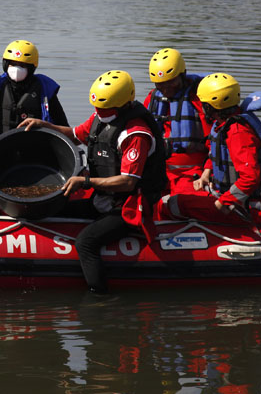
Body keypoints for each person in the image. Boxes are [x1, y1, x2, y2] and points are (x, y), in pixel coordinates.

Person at [19, 70, 167, 293]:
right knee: (54, 208)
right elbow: (75, 134)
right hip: (104, 199)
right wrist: (45, 125)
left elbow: (128, 182)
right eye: (97, 107)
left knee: (86, 242)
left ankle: (100, 298)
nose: (99, 112)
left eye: (105, 109)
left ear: (123, 104)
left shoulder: (136, 135)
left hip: (129, 207)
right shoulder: (101, 118)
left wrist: (86, 182)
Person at [165, 73, 261, 224]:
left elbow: (250, 178)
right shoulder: (224, 123)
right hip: (229, 197)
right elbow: (219, 152)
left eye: (203, 103)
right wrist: (206, 173)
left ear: (210, 106)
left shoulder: (238, 133)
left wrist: (224, 202)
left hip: (245, 209)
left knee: (172, 203)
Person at [142, 47, 212, 194]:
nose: (166, 89)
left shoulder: (199, 100)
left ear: (182, 75)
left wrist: (207, 173)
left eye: (171, 82)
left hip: (194, 172)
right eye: (160, 84)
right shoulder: (153, 98)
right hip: (159, 170)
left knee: (183, 200)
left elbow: (215, 142)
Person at [0, 39, 69, 142]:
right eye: (13, 64)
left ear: (31, 67)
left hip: (34, 147)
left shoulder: (45, 90)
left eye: (22, 65)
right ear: (5, 64)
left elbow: (63, 125)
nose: (16, 69)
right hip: (0, 146)